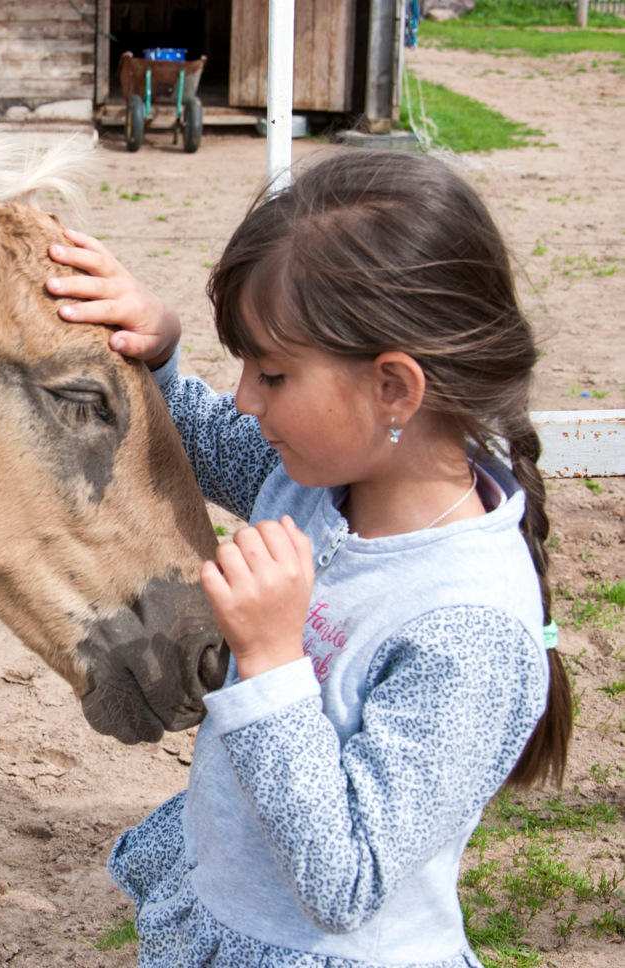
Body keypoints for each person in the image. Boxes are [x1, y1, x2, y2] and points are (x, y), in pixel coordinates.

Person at [45, 149, 572, 966]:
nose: (248, 398)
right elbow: (213, 441)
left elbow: (347, 882)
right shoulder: (319, 482)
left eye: (275, 373)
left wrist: (272, 661)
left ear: (394, 388)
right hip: (230, 921)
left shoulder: (470, 629)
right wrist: (159, 353)